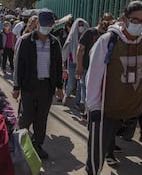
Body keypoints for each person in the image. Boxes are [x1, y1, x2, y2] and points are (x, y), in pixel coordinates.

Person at [85, 0, 142, 175]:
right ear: (125, 19)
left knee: (117, 143)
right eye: (135, 20)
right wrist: (93, 106)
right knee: (98, 146)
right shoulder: (108, 40)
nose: (139, 25)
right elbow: (94, 74)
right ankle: (93, 174)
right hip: (107, 106)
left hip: (133, 106)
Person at [12, 10, 64, 159]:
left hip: (47, 86)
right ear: (37, 23)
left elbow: (58, 66)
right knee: (26, 117)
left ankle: (37, 145)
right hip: (29, 85)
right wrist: (16, 87)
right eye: (44, 24)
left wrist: (59, 86)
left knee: (41, 118)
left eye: (50, 25)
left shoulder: (54, 43)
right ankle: (20, 145)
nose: (47, 27)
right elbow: (19, 65)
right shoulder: (26, 41)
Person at [75, 12, 115, 116]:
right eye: (106, 21)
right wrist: (79, 66)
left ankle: (91, 110)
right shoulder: (90, 32)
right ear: (100, 20)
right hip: (87, 68)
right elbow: (80, 49)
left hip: (102, 70)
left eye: (111, 22)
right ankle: (87, 110)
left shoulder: (110, 36)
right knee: (86, 88)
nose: (108, 24)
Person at [61, 18, 90, 108]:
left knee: (81, 84)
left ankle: (77, 102)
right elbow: (66, 47)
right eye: (79, 25)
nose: (81, 27)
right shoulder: (73, 35)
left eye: (82, 25)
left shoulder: (87, 36)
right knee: (71, 82)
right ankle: (66, 94)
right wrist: (63, 62)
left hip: (84, 63)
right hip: (72, 61)